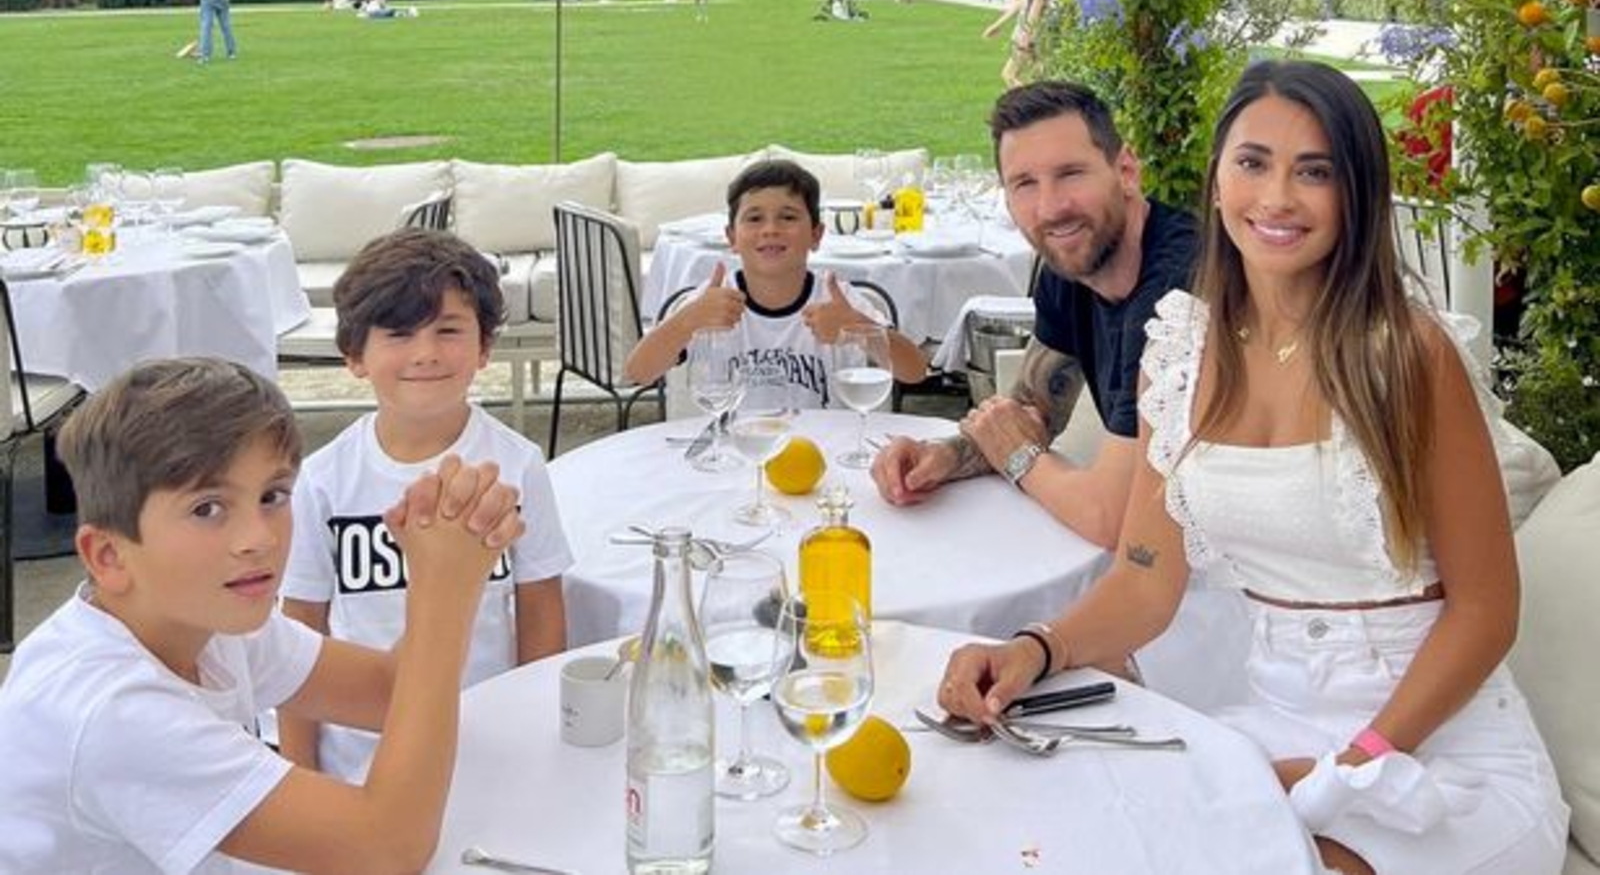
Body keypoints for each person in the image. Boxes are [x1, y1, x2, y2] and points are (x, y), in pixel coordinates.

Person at [936, 61, 1569, 874]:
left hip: (1433, 746)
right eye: (1253, 163)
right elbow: (1145, 580)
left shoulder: (1407, 356)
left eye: (1315, 172)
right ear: (1217, 178)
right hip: (1270, 721)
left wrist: (1352, 766)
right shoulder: (1179, 351)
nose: (1276, 198)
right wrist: (1035, 648)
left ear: (1358, 193)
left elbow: (1486, 611)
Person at [0, 357, 525, 873]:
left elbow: (387, 693)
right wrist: (443, 591)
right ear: (108, 557)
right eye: (207, 508)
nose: (259, 538)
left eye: (273, 496)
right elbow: (385, 850)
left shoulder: (203, 620)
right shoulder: (115, 711)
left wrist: (460, 550)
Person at [280, 228, 571, 782]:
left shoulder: (517, 465)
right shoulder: (321, 481)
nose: (426, 353)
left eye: (448, 330)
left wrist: (538, 739)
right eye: (398, 333)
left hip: (488, 749)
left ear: (484, 347)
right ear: (354, 355)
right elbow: (301, 637)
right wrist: (301, 770)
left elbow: (541, 613)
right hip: (359, 758)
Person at [870, 81, 1198, 549]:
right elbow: (1032, 409)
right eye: (1025, 183)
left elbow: (1110, 518)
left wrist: (1019, 458)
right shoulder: (1070, 265)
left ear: (1126, 170)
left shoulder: (1175, 291)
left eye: (1071, 173)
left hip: (1238, 572)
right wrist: (944, 456)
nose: (1051, 208)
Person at [623, 159, 928, 405]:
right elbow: (639, 372)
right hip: (738, 448)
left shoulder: (837, 301)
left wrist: (858, 327)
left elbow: (915, 371)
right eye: (754, 218)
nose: (771, 229)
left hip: (822, 449)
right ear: (731, 237)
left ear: (816, 235)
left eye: (788, 217)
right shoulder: (714, 300)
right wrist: (687, 321)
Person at [982, 0, 1047, 88]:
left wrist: (1026, 36)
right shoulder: (1029, 0)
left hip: (1024, 42)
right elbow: (1010, 13)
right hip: (1027, 41)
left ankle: (1027, 96)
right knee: (1030, 74)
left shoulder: (1036, 0)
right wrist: (994, 27)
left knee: (1008, 75)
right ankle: (1029, 95)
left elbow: (1031, 18)